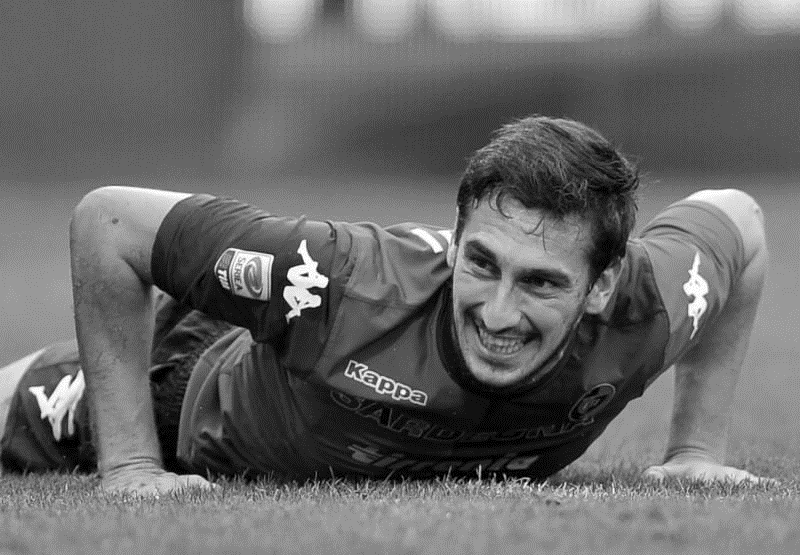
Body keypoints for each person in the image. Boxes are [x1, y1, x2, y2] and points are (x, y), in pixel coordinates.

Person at [0, 116, 771, 495]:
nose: (498, 312)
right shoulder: (337, 277)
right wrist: (132, 465)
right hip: (191, 380)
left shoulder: (647, 308)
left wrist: (694, 453)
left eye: (541, 283)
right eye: (482, 264)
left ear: (601, 285)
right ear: (455, 240)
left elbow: (742, 221)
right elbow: (108, 222)